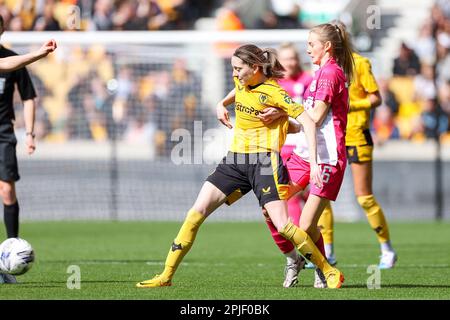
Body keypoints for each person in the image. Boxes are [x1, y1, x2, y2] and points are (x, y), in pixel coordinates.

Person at [136, 44, 345, 289]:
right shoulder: (242, 83)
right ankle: (166, 276)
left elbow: (308, 123)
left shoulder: (275, 92)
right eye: (232, 69)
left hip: (265, 162)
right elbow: (236, 92)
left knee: (284, 226)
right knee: (196, 213)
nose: (234, 74)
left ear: (255, 67)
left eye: (238, 69)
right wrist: (220, 104)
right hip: (235, 161)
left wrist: (315, 160)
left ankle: (328, 271)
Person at [259, 21, 354, 288]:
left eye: (311, 44)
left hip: (326, 158)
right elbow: (306, 121)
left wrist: (282, 112)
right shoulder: (319, 74)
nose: (307, 49)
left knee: (305, 223)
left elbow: (314, 117)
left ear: (326, 46)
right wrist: (283, 124)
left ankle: (323, 269)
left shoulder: (331, 74)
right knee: (270, 205)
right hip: (303, 153)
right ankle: (293, 258)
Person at [0, 31, 57, 283]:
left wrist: (30, 133)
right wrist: (37, 54)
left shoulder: (15, 60)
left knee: (6, 191)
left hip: (2, 133)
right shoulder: (14, 60)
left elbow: (29, 98)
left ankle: (8, 258)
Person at [263, 42, 313, 287]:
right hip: (283, 150)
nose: (290, 63)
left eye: (293, 58)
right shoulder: (273, 86)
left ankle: (322, 254)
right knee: (282, 203)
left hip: (308, 150)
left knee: (314, 205)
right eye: (285, 59)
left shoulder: (309, 81)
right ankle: (299, 253)